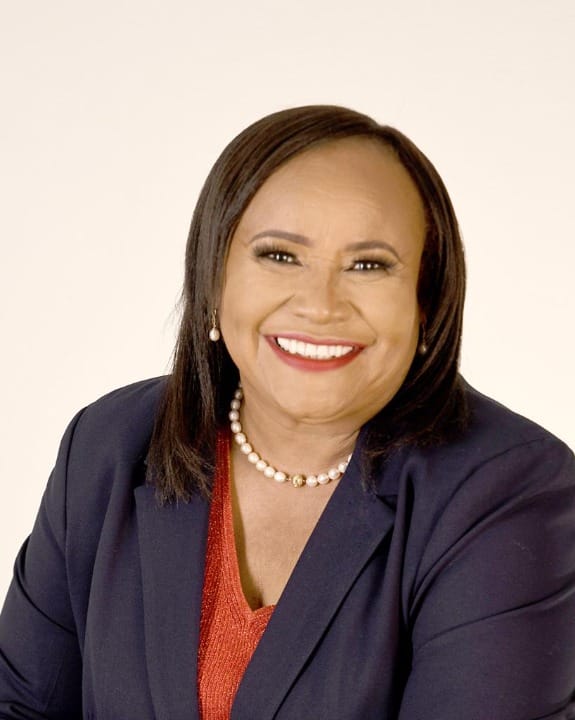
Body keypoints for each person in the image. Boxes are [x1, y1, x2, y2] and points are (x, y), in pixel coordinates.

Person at [0, 105, 574, 720]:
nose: (320, 306)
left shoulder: (509, 493)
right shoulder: (109, 446)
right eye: (279, 255)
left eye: (369, 265)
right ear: (214, 277)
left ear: (425, 303)